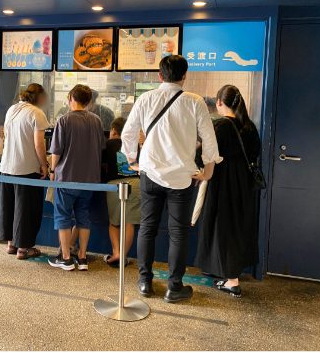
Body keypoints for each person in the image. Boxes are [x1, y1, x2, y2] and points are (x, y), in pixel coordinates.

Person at [121, 55, 219, 303]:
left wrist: (133, 159)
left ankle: (145, 282)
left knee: (148, 228)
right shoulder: (195, 101)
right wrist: (208, 170)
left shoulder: (146, 98)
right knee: (178, 233)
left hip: (150, 174)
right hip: (181, 178)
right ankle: (174, 287)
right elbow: (209, 138)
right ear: (184, 76)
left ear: (159, 76)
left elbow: (128, 132)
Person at [195, 85, 261, 298]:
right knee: (237, 227)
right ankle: (231, 274)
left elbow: (208, 153)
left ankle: (231, 280)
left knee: (222, 227)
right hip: (244, 184)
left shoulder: (221, 126)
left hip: (223, 183)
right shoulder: (249, 126)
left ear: (219, 102)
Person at [48, 84, 105, 271]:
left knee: (63, 216)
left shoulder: (64, 120)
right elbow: (100, 148)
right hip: (90, 179)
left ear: (71, 98)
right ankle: (82, 258)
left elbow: (56, 152)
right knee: (83, 216)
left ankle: (65, 258)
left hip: (67, 177)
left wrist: (51, 170)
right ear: (88, 101)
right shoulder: (97, 121)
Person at [0, 83, 50, 260]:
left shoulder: (12, 109)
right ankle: (24, 248)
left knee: (10, 205)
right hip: (27, 168)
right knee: (26, 208)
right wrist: (44, 164)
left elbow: (6, 135)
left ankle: (11, 244)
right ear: (40, 98)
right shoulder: (37, 113)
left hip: (7, 166)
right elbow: (39, 144)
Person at [102, 117, 143, 267]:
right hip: (135, 184)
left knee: (114, 222)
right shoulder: (134, 144)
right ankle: (123, 256)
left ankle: (116, 253)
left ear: (113, 130)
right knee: (129, 222)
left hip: (114, 186)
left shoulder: (108, 144)